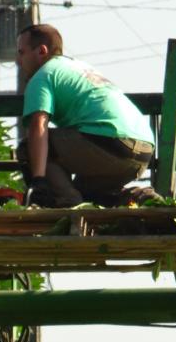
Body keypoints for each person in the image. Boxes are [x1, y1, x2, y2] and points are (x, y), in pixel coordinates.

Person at [15, 24, 157, 208]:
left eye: (21, 52)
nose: (18, 61)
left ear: (41, 51)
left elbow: (38, 126)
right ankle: (140, 197)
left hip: (109, 142)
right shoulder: (78, 67)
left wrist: (39, 179)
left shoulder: (43, 75)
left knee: (28, 147)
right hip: (142, 150)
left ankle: (67, 203)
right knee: (88, 196)